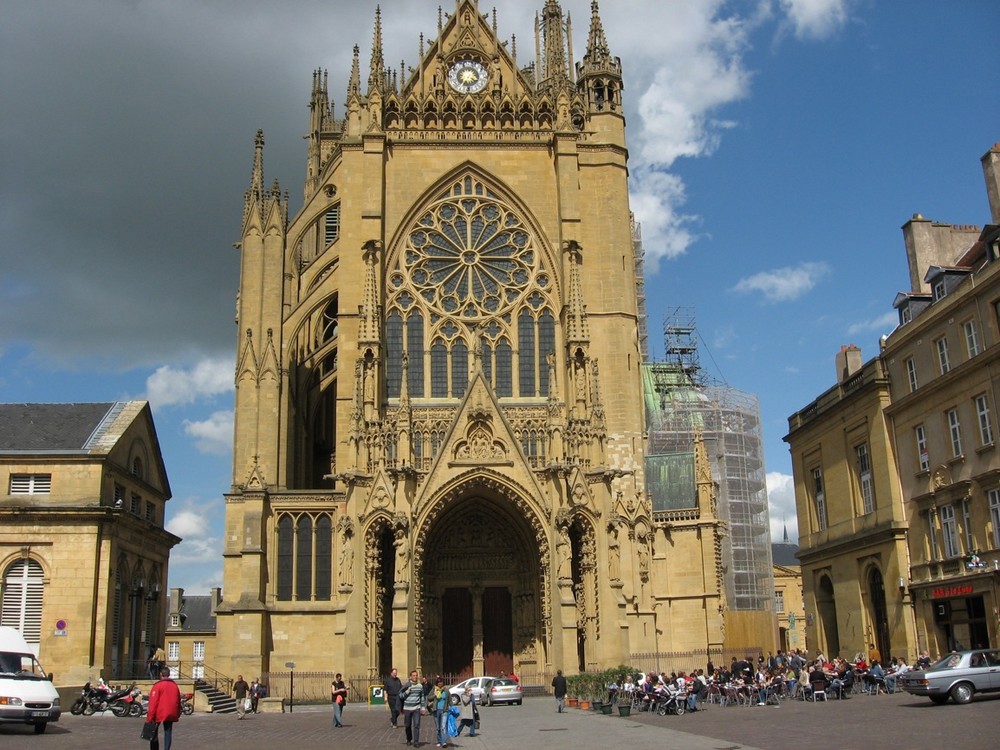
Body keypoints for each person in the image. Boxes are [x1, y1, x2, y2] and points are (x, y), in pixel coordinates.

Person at [146, 666, 182, 750]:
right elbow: (178, 700)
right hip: (171, 712)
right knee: (168, 732)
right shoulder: (174, 686)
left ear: (161, 674)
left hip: (159, 712)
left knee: (153, 732)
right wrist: (177, 712)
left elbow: (153, 703)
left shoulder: (158, 685)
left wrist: (149, 717)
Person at [400, 669, 425, 747]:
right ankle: (409, 739)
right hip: (407, 708)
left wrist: (423, 707)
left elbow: (422, 697)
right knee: (407, 725)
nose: (415, 677)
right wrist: (407, 692)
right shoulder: (406, 685)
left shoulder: (420, 686)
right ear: (410, 677)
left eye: (416, 675)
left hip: (416, 708)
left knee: (416, 725)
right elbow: (400, 696)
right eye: (413, 675)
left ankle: (416, 742)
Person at [432, 676, 449, 748]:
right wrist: (434, 694)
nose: (440, 684)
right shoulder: (434, 689)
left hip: (444, 710)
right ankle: (439, 741)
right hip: (436, 710)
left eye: (441, 682)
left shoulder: (446, 690)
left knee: (443, 726)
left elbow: (450, 699)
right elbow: (429, 697)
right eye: (438, 683)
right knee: (438, 727)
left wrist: (453, 708)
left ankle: (444, 742)